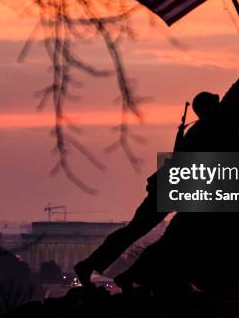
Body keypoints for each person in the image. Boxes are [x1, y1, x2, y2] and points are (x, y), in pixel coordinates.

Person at [74, 90, 225, 287]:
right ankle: (97, 267)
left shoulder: (201, 129)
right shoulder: (204, 130)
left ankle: (98, 267)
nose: (219, 107)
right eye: (215, 104)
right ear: (208, 109)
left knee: (138, 230)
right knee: (140, 230)